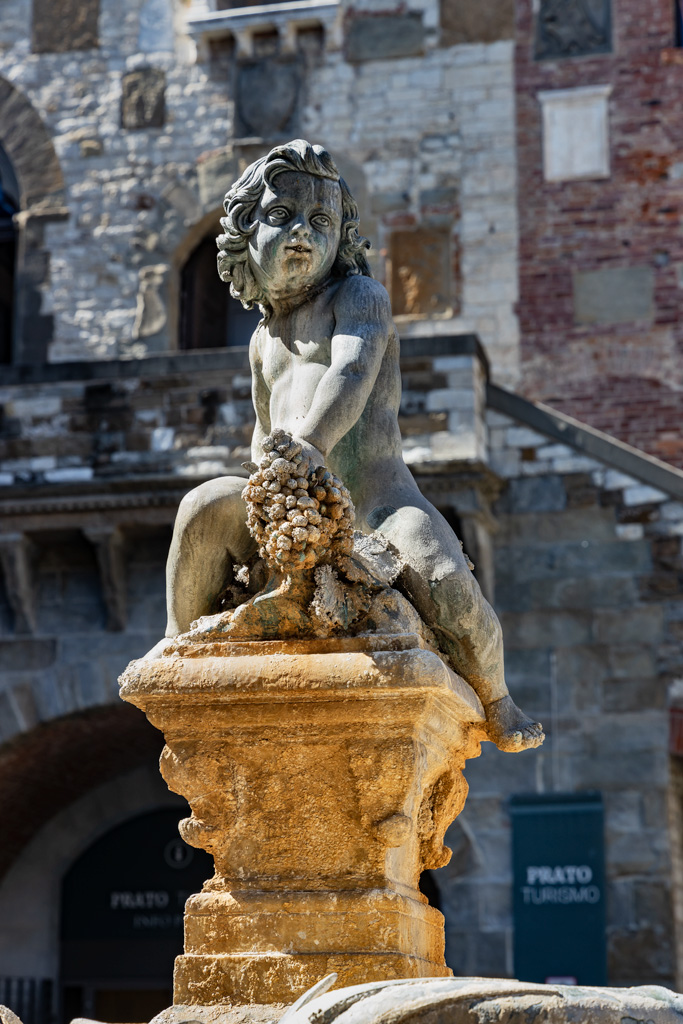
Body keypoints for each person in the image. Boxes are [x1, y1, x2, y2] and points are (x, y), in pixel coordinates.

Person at [165, 139, 543, 753]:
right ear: (243, 235)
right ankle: (181, 644)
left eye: (320, 222)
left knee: (446, 579)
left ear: (341, 236)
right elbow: (264, 429)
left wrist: (308, 442)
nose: (301, 235)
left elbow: (350, 372)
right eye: (281, 216)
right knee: (201, 507)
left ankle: (498, 697)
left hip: (376, 500)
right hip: (290, 496)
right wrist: (265, 481)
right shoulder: (261, 341)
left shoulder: (359, 298)